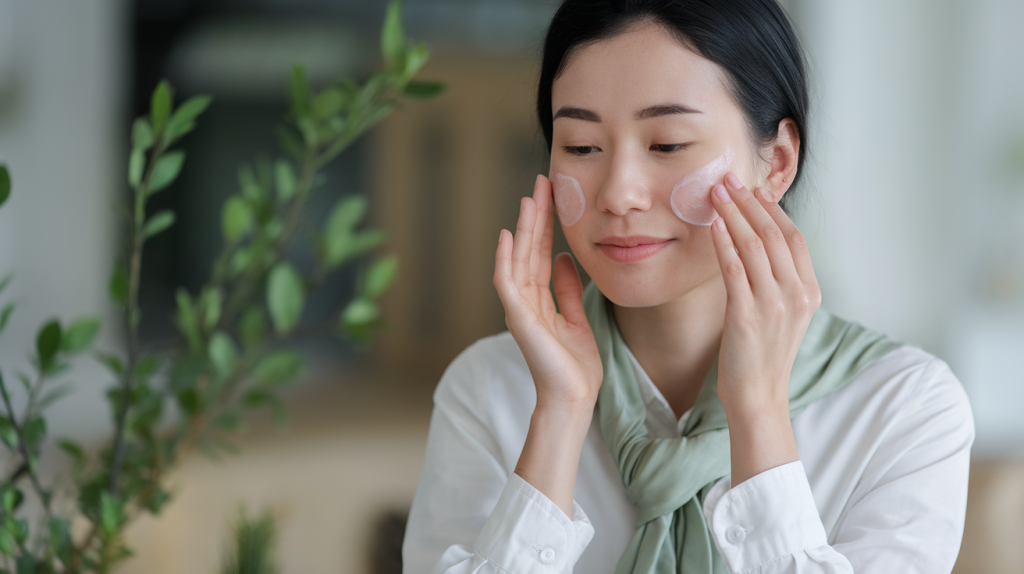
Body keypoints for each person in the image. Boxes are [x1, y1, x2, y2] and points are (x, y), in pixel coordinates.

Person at [402, 0, 974, 572]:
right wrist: (559, 414)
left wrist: (758, 413)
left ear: (775, 162)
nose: (618, 193)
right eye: (581, 146)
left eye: (668, 144)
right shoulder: (488, 390)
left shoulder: (906, 408)